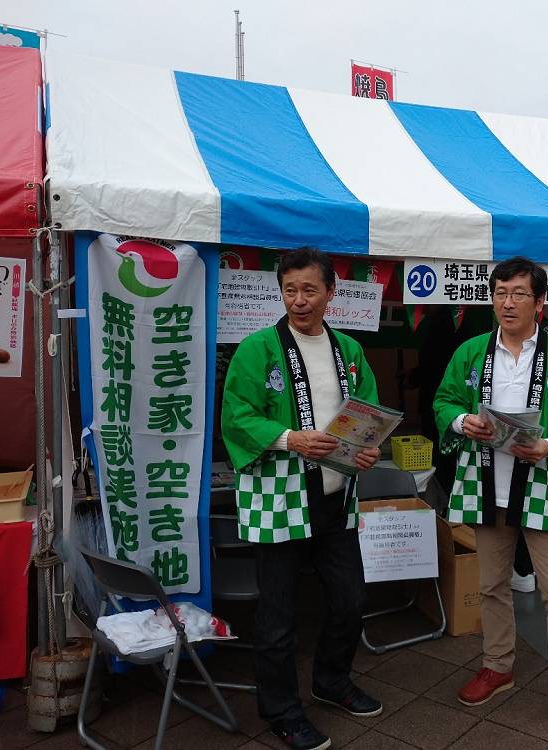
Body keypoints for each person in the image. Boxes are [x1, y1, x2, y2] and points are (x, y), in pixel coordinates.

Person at [221, 248, 383, 750]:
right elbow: (236, 415)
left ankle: (332, 681)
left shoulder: (348, 350)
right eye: (290, 290)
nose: (299, 300)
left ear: (331, 292)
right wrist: (289, 438)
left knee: (350, 600)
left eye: (310, 289)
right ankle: (281, 711)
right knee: (278, 615)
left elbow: (368, 412)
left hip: (336, 496)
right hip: (280, 500)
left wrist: (369, 448)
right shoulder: (258, 349)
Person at [433, 257, 548, 738]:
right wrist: (462, 422)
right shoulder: (472, 351)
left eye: (519, 293)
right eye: (500, 293)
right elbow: (444, 400)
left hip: (543, 485)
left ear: (540, 302)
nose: (508, 302)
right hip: (486, 485)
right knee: (491, 584)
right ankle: (497, 665)